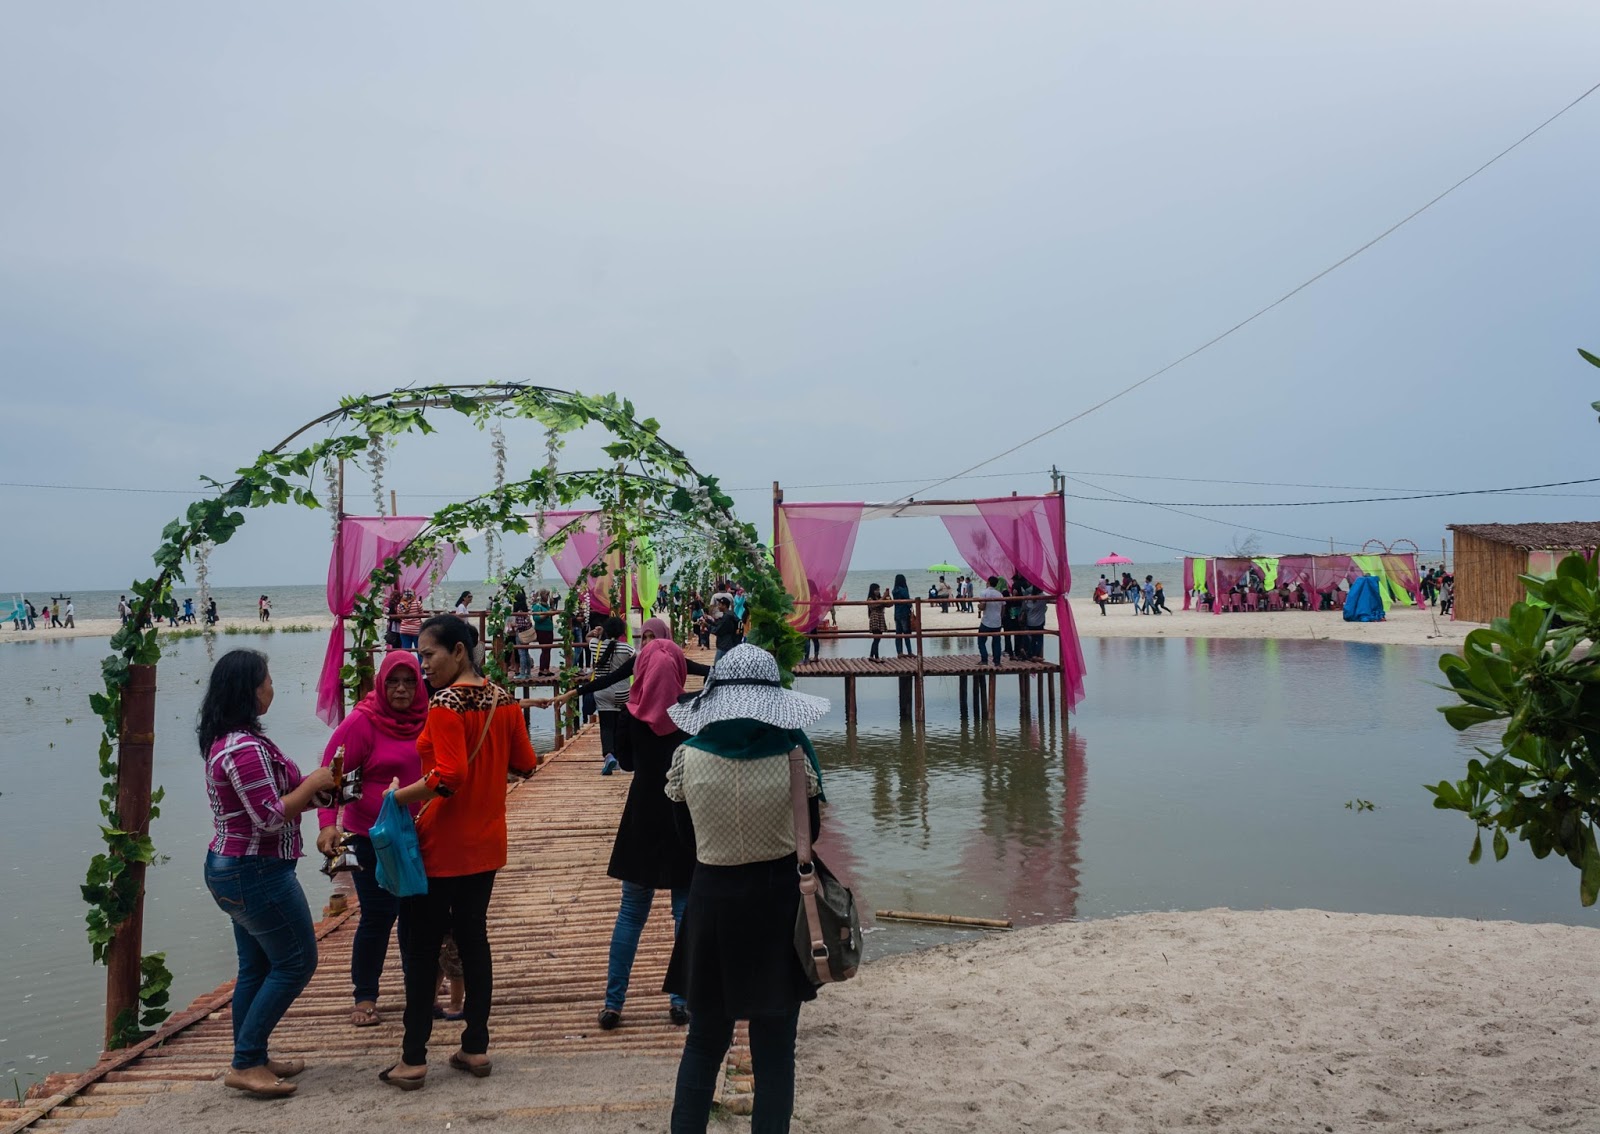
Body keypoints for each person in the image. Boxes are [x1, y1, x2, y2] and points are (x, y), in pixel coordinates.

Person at [662, 644, 830, 1133]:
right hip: (778, 907)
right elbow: (811, 833)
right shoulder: (794, 757)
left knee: (703, 1045)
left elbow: (685, 838)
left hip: (712, 904)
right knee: (775, 1051)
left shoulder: (687, 758)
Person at [382, 615, 538, 1090]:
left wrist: (397, 796)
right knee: (474, 941)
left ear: (458, 651)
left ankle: (413, 1059)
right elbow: (526, 763)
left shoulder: (446, 703)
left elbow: (449, 776)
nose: (423, 665)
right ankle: (475, 1046)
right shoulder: (503, 699)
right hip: (486, 844)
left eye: (429, 655)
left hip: (441, 846)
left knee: (421, 949)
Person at [199, 648, 337, 1098]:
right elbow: (269, 817)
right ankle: (245, 1062)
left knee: (256, 966)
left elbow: (271, 805)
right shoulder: (243, 749)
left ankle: (252, 1054)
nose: (272, 688)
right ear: (250, 690)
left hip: (236, 867)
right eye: (268, 681)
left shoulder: (233, 741)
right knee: (296, 962)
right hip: (254, 870)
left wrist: (316, 794)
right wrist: (313, 783)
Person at [553, 618, 701, 1030]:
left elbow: (629, 763)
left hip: (641, 818)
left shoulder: (629, 715)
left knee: (631, 913)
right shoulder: (693, 714)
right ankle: (681, 999)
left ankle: (613, 1001)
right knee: (684, 911)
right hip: (684, 818)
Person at [315, 651, 427, 1029]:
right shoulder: (363, 722)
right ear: (381, 683)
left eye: (409, 682)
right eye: (393, 681)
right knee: (378, 916)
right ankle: (365, 995)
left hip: (418, 836)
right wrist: (327, 824)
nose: (401, 689)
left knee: (419, 915)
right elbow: (331, 775)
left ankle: (421, 988)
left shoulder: (429, 718)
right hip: (370, 837)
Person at [586, 616, 635, 775]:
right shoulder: (627, 649)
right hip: (623, 692)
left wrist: (597, 632)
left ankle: (608, 756)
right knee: (619, 725)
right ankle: (619, 758)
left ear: (606, 630)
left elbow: (588, 638)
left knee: (606, 726)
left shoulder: (596, 645)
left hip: (602, 692)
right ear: (622, 632)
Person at [977, 577, 1004, 665]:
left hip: (987, 621)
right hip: (997, 621)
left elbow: (983, 606)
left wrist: (979, 606)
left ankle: (984, 659)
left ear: (988, 582)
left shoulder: (984, 593)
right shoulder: (999, 594)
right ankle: (997, 661)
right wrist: (1000, 617)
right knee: (996, 642)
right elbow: (1003, 607)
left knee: (981, 641)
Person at [532, 590, 556, 676]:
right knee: (544, 649)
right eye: (546, 595)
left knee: (548, 649)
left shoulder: (547, 606)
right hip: (542, 630)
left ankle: (547, 668)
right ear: (542, 596)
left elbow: (553, 612)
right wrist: (547, 614)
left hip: (549, 629)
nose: (547, 597)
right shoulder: (537, 606)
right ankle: (542, 669)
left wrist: (552, 604)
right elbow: (536, 618)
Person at [709, 597, 741, 661]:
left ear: (724, 606)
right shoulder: (731, 614)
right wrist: (709, 622)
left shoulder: (727, 617)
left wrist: (707, 626)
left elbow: (718, 630)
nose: (718, 606)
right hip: (729, 644)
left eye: (719, 605)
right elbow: (720, 625)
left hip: (724, 645)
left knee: (717, 665)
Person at [890, 574, 914, 657]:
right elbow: (907, 599)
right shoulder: (903, 590)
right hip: (904, 612)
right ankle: (909, 652)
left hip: (897, 613)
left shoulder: (894, 590)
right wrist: (910, 605)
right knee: (906, 633)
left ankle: (899, 652)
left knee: (898, 633)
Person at [865, 583, 887, 662]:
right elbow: (874, 605)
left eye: (878, 590)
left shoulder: (879, 598)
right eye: (876, 590)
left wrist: (887, 596)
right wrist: (883, 597)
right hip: (875, 618)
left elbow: (888, 604)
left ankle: (872, 656)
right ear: (872, 590)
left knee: (877, 639)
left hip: (880, 618)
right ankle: (876, 656)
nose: (877, 591)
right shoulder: (870, 598)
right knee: (876, 639)